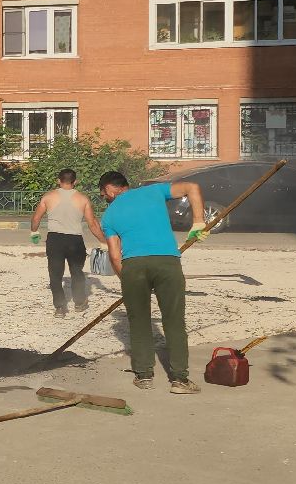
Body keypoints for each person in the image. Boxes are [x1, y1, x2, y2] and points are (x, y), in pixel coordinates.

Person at [98, 170, 208, 393]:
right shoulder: (154, 191)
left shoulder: (108, 216)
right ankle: (180, 380)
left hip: (133, 266)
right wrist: (198, 222)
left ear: (109, 189)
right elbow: (192, 187)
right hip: (167, 262)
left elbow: (115, 256)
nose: (105, 199)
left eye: (103, 195)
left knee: (139, 322)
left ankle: (144, 376)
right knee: (174, 321)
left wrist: (127, 279)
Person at [30, 168, 107, 317]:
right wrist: (103, 241)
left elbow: (36, 218)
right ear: (75, 181)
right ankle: (79, 302)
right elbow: (92, 224)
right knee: (77, 272)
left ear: (58, 181)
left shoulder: (48, 197)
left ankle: (60, 307)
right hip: (75, 240)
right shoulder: (83, 199)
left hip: (55, 240)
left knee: (55, 274)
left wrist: (34, 232)